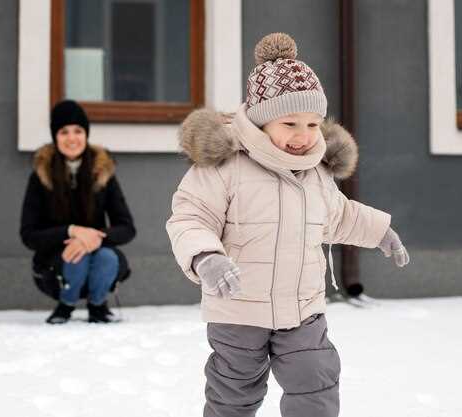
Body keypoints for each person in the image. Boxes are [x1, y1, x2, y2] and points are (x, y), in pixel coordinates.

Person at [166, 33, 409, 417]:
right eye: (291, 122)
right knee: (234, 393)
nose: (304, 135)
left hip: (303, 310)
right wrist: (205, 256)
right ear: (262, 121)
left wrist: (380, 231)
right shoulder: (225, 165)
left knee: (316, 381)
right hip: (239, 310)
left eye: (313, 124)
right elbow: (191, 215)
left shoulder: (315, 172)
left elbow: (338, 215)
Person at [20, 100, 136, 324]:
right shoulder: (40, 176)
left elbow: (127, 228)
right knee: (76, 257)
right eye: (64, 131)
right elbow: (28, 234)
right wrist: (72, 232)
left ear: (86, 134)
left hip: (98, 254)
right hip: (56, 263)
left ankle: (98, 305)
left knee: (106, 258)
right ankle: (66, 303)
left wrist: (93, 237)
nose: (72, 138)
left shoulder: (103, 171)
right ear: (56, 136)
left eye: (78, 131)